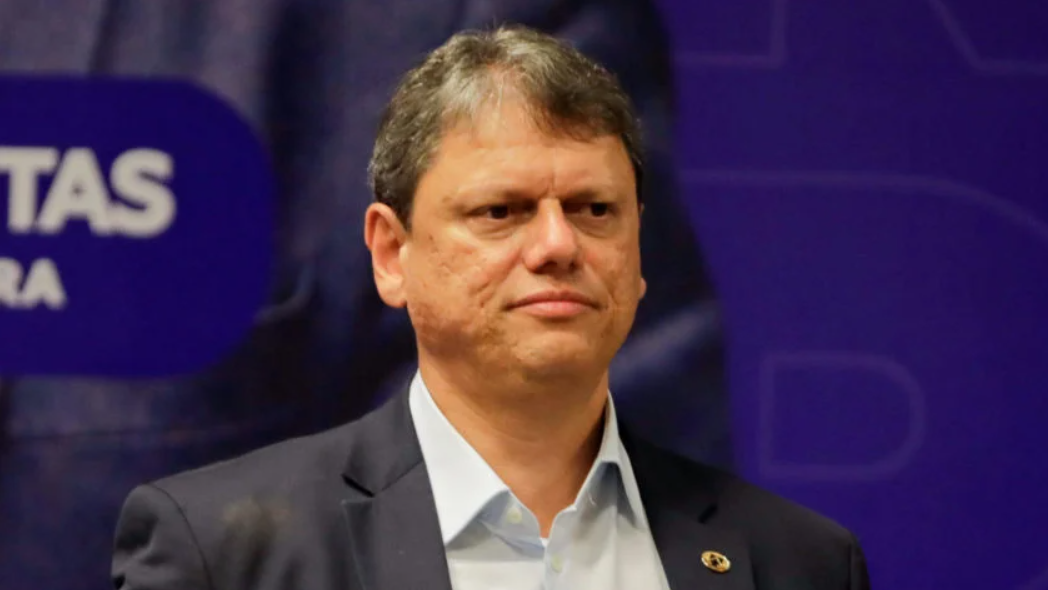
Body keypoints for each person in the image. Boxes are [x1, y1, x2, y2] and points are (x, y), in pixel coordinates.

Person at [112, 26, 868, 589]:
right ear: (391, 254)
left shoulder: (798, 563)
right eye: (501, 211)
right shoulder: (222, 553)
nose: (558, 245)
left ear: (641, 253)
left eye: (595, 210)